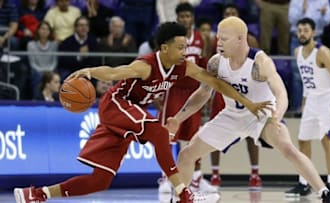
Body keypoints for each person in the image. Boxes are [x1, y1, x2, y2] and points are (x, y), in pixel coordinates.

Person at [13, 22, 269, 203]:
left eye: (186, 47)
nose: (185, 52)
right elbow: (114, 73)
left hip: (129, 115)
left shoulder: (183, 67)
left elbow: (216, 84)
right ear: (164, 48)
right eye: (180, 47)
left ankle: (37, 194)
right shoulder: (146, 66)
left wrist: (248, 103)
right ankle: (183, 193)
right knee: (159, 132)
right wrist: (89, 72)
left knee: (100, 181)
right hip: (116, 104)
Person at [165, 17, 330, 203]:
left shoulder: (259, 62)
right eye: (218, 38)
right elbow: (202, 94)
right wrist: (178, 118)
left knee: (288, 149)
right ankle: (178, 199)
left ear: (240, 39)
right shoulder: (216, 62)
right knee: (186, 154)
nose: (218, 43)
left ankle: (325, 193)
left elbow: (281, 92)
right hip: (231, 116)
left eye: (224, 39)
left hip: (262, 115)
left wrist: (278, 114)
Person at [157, 2, 216, 194]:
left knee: (194, 138)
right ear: (177, 18)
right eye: (181, 17)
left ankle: (197, 178)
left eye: (187, 16)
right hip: (174, 90)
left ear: (192, 18)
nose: (185, 19)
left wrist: (206, 93)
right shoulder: (172, 40)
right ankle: (166, 177)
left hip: (194, 93)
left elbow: (205, 65)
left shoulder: (202, 38)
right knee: (168, 135)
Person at [285, 17, 330, 198]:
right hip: (312, 100)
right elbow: (306, 79)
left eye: (306, 30)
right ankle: (304, 183)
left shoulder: (323, 52)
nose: (302, 33)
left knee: (326, 140)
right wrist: (305, 101)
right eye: (300, 30)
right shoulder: (297, 52)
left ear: (314, 33)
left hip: (328, 100)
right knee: (303, 140)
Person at [209, 3, 263, 190]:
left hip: (245, 88)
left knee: (251, 134)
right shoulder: (216, 40)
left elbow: (257, 68)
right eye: (227, 13)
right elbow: (212, 68)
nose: (230, 15)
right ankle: (215, 173)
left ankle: (255, 174)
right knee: (214, 131)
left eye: (233, 13)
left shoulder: (250, 41)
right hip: (223, 89)